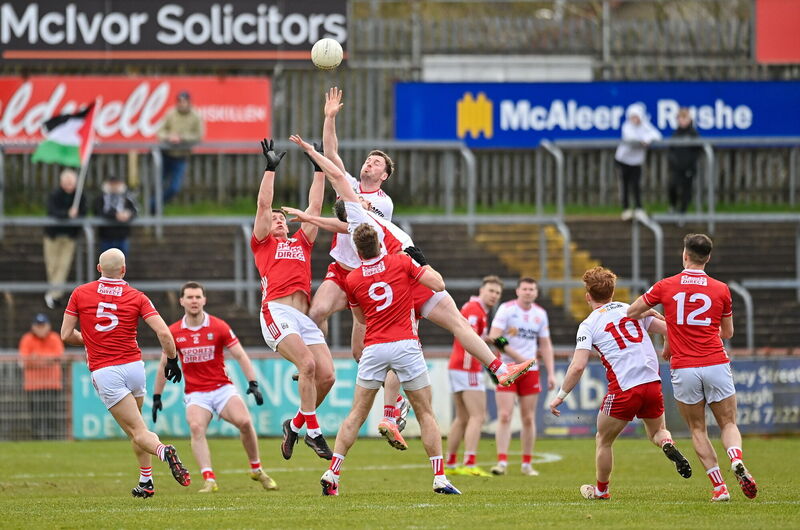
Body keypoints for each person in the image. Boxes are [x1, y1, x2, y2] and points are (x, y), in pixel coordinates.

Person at [288, 135, 535, 442]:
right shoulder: (357, 213)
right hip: (408, 275)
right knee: (439, 327)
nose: (349, 196)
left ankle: (392, 414)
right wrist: (312, 152)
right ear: (350, 205)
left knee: (389, 345)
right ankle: (497, 370)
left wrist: (309, 213)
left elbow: (337, 184)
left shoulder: (364, 212)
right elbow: (337, 177)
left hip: (400, 277)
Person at [320, 222, 461, 496]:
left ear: (358, 252)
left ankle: (333, 472)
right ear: (381, 243)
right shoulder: (400, 262)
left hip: (374, 347)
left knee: (357, 413)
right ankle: (440, 477)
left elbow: (361, 318)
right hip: (405, 344)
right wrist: (423, 262)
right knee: (425, 412)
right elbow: (438, 284)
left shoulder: (352, 279)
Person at [627, 234, 757, 502]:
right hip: (715, 362)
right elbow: (728, 333)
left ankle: (720, 487)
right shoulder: (721, 289)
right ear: (708, 257)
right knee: (728, 422)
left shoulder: (666, 285)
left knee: (698, 429)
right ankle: (736, 459)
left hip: (684, 367)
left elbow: (631, 312)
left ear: (685, 255)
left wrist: (655, 315)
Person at [306, 87, 407, 431]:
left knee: (362, 354)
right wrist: (329, 117)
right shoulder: (348, 183)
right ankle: (315, 364)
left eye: (377, 162)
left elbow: (352, 224)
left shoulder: (384, 202)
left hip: (366, 276)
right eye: (368, 159)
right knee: (316, 312)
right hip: (340, 270)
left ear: (384, 176)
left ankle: (397, 400)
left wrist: (318, 219)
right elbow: (331, 153)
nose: (369, 163)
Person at [549, 267, 692, 501]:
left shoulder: (588, 324)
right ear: (613, 292)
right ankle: (667, 442)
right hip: (652, 382)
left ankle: (602, 491)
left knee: (603, 440)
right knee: (657, 431)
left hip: (625, 388)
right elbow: (670, 329)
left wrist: (560, 396)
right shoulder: (631, 309)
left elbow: (577, 366)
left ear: (588, 296)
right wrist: (661, 330)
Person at [60, 248, 191, 497]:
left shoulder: (80, 293)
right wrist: (172, 359)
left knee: (137, 432)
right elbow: (164, 333)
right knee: (139, 427)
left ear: (99, 268)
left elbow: (66, 335)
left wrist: (90, 340)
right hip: (134, 368)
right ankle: (146, 482)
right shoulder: (137, 296)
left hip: (106, 371)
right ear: (124, 270)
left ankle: (164, 451)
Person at [250, 138, 334, 461]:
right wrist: (270, 169)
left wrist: (318, 167)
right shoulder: (262, 245)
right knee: (308, 364)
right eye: (275, 218)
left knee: (326, 375)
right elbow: (261, 206)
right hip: (276, 312)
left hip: (304, 317)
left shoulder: (302, 242)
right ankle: (314, 432)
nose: (279, 219)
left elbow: (314, 209)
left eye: (282, 217)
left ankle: (295, 424)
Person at [152, 281, 278, 494]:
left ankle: (257, 469)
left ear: (204, 300)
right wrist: (157, 396)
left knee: (245, 422)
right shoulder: (173, 332)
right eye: (190, 297)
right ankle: (209, 479)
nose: (194, 301)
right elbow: (164, 364)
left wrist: (252, 383)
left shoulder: (219, 326)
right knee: (196, 428)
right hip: (196, 393)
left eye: (198, 297)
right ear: (182, 301)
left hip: (222, 389)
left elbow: (239, 354)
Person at [488, 277, 556, 477]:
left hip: (530, 371)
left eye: (532, 289)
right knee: (505, 415)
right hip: (506, 368)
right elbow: (495, 336)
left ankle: (527, 463)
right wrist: (518, 358)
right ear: (518, 291)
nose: (528, 292)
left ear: (536, 293)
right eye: (525, 288)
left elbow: (545, 344)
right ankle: (501, 462)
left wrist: (551, 372)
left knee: (528, 417)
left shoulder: (540, 314)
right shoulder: (506, 309)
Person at [445, 275, 504, 478]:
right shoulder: (474, 310)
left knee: (462, 417)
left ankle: (451, 463)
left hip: (456, 366)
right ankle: (469, 462)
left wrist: (490, 340)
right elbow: (466, 337)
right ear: (482, 290)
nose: (494, 295)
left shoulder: (475, 309)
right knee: (478, 416)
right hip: (467, 368)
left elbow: (474, 336)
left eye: (497, 293)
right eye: (491, 291)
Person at [44, 168, 88, 309]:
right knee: (52, 266)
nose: (69, 184)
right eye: (66, 181)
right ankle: (53, 293)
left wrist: (76, 215)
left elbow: (83, 213)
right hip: (53, 235)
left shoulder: (80, 196)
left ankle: (54, 295)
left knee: (63, 265)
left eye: (71, 181)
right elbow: (52, 212)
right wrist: (67, 214)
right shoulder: (54, 195)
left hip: (69, 236)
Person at [18, 313, 65, 439]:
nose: (41, 328)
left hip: (52, 384)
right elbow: (24, 362)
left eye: (43, 325)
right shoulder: (27, 339)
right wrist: (47, 360)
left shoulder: (54, 338)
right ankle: (36, 439)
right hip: (33, 385)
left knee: (51, 414)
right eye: (38, 326)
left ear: (48, 326)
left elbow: (58, 357)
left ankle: (52, 438)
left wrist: (36, 359)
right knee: (36, 415)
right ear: (33, 327)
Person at [155, 91, 204, 209]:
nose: (182, 104)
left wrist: (181, 137)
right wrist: (169, 137)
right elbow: (159, 131)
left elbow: (199, 135)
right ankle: (153, 208)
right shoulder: (170, 114)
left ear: (189, 102)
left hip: (181, 157)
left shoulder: (196, 116)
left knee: (174, 188)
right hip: (166, 154)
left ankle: (154, 206)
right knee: (157, 185)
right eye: (180, 101)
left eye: (184, 101)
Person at [614, 103, 662, 221]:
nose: (635, 119)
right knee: (624, 185)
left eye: (637, 117)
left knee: (635, 185)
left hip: (636, 162)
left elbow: (657, 135)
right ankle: (626, 209)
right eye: (632, 117)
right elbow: (630, 138)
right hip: (623, 160)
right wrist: (643, 140)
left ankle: (639, 208)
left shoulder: (645, 126)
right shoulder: (627, 126)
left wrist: (648, 139)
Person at [667, 108, 702, 214]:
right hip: (676, 168)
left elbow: (697, 151)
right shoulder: (675, 133)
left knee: (686, 191)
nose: (682, 121)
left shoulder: (693, 134)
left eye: (684, 118)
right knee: (672, 186)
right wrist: (673, 162)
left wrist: (690, 164)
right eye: (680, 118)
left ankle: (682, 212)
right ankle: (672, 207)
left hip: (688, 168)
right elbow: (671, 149)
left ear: (689, 119)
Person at [93, 174, 137, 256]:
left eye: (116, 184)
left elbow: (135, 210)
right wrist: (115, 215)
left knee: (122, 261)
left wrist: (128, 214)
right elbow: (98, 211)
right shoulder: (100, 198)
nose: (114, 186)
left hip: (122, 235)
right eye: (112, 184)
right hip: (106, 236)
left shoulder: (128, 197)